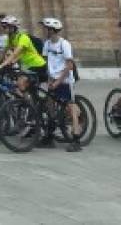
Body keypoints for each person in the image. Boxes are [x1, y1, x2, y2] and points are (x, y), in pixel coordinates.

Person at [40, 18, 81, 152]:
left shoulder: (64, 44)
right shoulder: (47, 44)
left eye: (46, 28)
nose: (44, 30)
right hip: (54, 80)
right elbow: (48, 63)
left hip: (65, 81)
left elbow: (69, 65)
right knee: (49, 104)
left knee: (71, 108)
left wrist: (58, 81)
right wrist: (50, 80)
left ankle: (76, 139)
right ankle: (50, 135)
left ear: (52, 30)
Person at [0, 15, 48, 106]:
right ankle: (29, 104)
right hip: (27, 66)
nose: (4, 29)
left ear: (13, 27)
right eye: (3, 26)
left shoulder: (23, 37)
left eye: (6, 27)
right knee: (19, 85)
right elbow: (2, 53)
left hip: (38, 65)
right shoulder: (11, 38)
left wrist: (1, 66)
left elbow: (15, 53)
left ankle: (30, 106)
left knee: (20, 83)